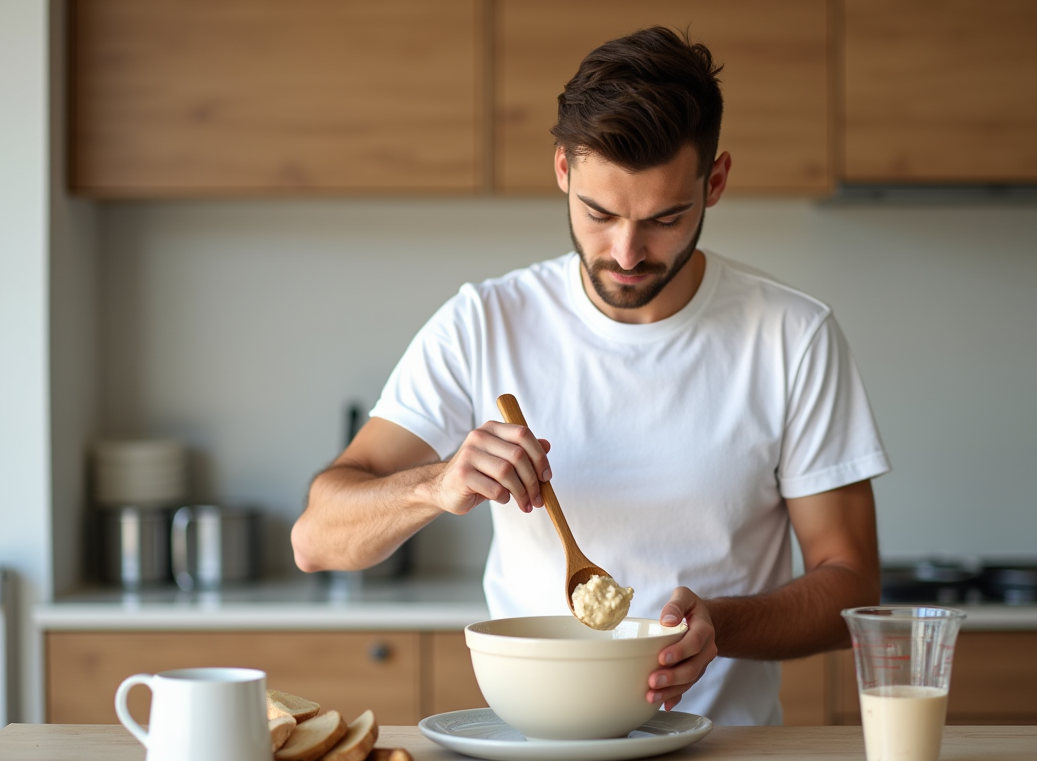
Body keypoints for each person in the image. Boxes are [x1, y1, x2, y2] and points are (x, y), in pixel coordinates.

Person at [291, 26, 889, 725]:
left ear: (716, 182)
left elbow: (851, 586)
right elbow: (316, 539)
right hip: (535, 751)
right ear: (562, 171)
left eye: (666, 218)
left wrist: (721, 626)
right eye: (599, 214)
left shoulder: (793, 336)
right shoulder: (484, 322)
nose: (627, 253)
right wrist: (436, 484)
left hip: (726, 756)